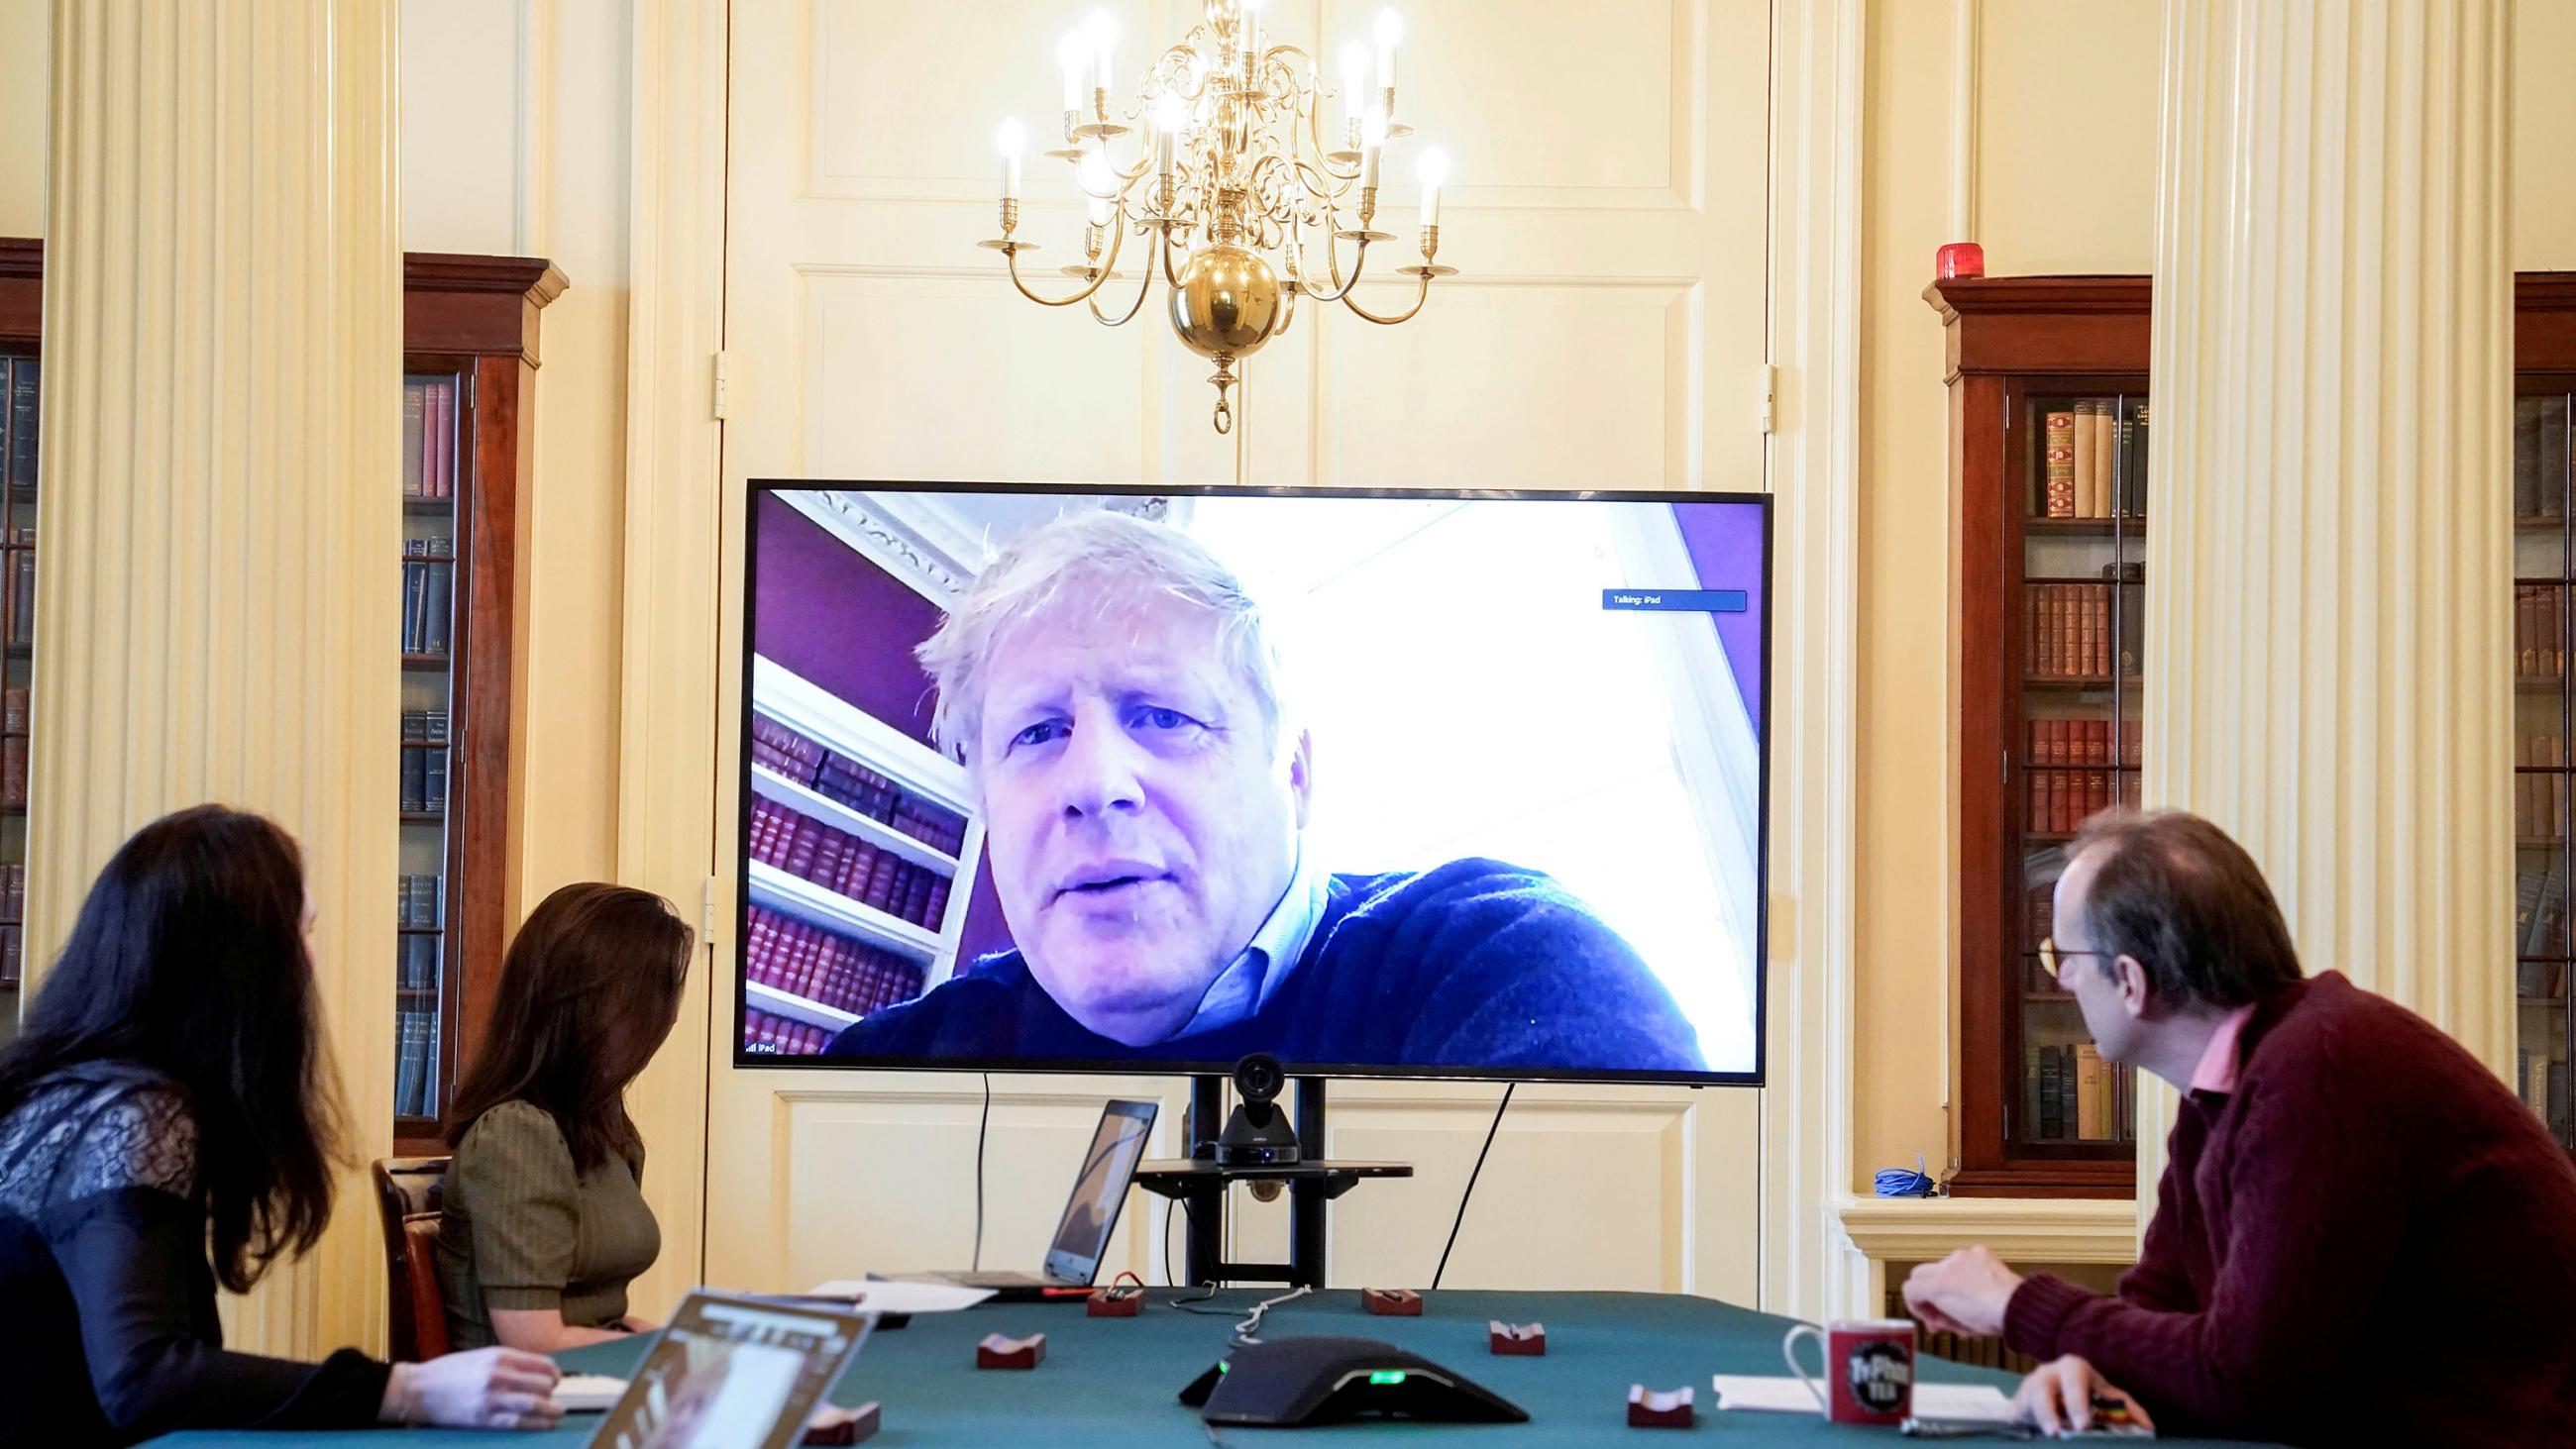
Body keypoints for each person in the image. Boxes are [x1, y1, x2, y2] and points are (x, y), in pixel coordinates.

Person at [822, 509, 1705, 1072]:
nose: (1094, 784)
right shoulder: (893, 1060)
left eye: (1165, 716)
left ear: (1295, 774)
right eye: (1038, 732)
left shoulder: (1495, 964)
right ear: (985, 799)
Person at [1902, 809, 2576, 1446]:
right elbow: (2163, 1310)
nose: (2066, 976)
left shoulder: (2322, 1069)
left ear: (2131, 980)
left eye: (2063, 952)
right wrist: (2092, 1370)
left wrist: (2019, 1303)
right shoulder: (2227, 1090)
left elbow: (2252, 1378)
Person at [0, 805, 562, 1445]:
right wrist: (405, 1389)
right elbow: (144, 1377)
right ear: (241, 960)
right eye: (301, 932)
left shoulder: (66, 1096)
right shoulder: (136, 1114)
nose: (310, 963)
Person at [439, 882, 693, 1352]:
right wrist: (676, 1356)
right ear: (592, 1004)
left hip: (591, 1381)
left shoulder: (605, 1130)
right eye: (656, 997)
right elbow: (534, 1342)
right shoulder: (514, 1133)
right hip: (531, 1405)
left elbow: (601, 1316)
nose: (669, 1019)